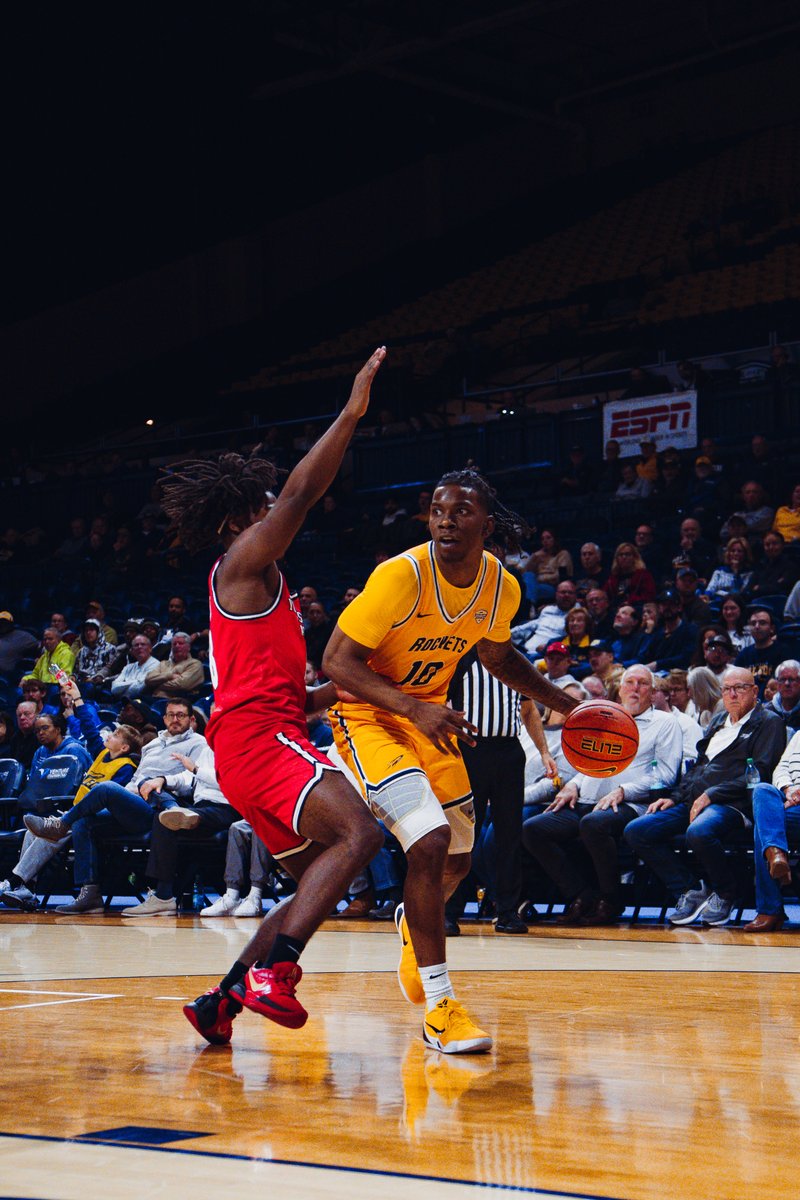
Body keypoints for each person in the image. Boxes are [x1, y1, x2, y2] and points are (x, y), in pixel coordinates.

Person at [160, 349, 387, 1048]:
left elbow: (289, 691)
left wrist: (356, 691)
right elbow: (299, 494)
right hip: (260, 742)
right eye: (263, 505)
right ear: (243, 515)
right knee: (361, 834)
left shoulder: (264, 587)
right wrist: (350, 413)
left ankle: (221, 1001)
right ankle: (275, 972)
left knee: (312, 879)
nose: (276, 509)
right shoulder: (243, 561)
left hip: (256, 740)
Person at [323, 467, 578, 1054]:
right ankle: (442, 1009)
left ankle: (415, 927)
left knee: (457, 862)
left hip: (429, 717)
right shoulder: (399, 576)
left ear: (486, 525)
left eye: (461, 511)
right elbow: (335, 662)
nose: (445, 519)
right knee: (430, 841)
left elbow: (497, 656)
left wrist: (567, 702)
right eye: (437, 509)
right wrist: (413, 708)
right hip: (368, 719)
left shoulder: (500, 587)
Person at [623, 667, 785, 926]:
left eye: (740, 688)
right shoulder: (719, 719)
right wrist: (675, 797)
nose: (732, 694)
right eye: (727, 689)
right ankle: (691, 889)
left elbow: (760, 772)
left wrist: (712, 794)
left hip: (735, 804)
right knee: (637, 830)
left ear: (755, 691)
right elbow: (697, 767)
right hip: (694, 799)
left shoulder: (769, 721)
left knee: (698, 831)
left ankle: (726, 892)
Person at [523, 666, 683, 925]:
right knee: (533, 829)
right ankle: (581, 895)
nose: (635, 688)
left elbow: (666, 773)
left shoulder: (665, 723)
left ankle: (610, 899)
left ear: (653, 693)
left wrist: (624, 790)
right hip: (587, 798)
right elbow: (588, 762)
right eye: (629, 682)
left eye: (642, 684)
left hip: (632, 803)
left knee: (593, 825)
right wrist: (572, 784)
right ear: (619, 690)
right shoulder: (605, 717)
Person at [1, 685, 141, 912]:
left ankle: (15, 881)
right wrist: (77, 698)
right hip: (76, 811)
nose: (109, 734)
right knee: (33, 830)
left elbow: (113, 799)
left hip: (99, 817)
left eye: (115, 735)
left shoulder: (126, 766)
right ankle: (27, 891)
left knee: (53, 831)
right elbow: (89, 727)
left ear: (124, 747)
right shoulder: (103, 754)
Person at [117, 741, 240, 918]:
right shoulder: (208, 750)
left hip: (227, 808)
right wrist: (163, 780)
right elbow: (187, 777)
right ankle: (172, 808)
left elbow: (232, 783)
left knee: (168, 820)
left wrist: (196, 769)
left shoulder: (241, 749)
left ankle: (163, 896)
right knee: (154, 796)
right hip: (199, 807)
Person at [744, 732, 800, 931]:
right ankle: (776, 855)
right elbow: (781, 769)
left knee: (765, 824)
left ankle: (770, 910)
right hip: (789, 801)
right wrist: (788, 789)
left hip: (794, 806)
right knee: (762, 790)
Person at [200, 819, 276, 917]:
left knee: (261, 824)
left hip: (286, 820)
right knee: (237, 827)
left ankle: (255, 895)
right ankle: (231, 897)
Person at [735, 607, 792, 697]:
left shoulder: (783, 652)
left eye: (762, 623)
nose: (757, 627)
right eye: (753, 623)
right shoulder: (743, 655)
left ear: (772, 628)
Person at [143, 631, 204, 699]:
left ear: (188, 647)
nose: (177, 646)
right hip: (153, 699)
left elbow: (181, 685)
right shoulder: (163, 663)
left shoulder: (195, 664)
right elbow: (148, 679)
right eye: (174, 644)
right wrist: (170, 676)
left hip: (176, 703)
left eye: (180, 643)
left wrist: (156, 683)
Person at [109, 633, 159, 699]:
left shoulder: (156, 665)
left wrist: (123, 684)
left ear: (150, 648)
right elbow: (114, 688)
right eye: (136, 645)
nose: (139, 647)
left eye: (143, 644)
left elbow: (138, 690)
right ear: (132, 651)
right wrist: (136, 682)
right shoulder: (128, 667)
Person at [764, 659, 800, 739]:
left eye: (791, 679)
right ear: (777, 683)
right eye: (782, 679)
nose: (787, 684)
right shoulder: (766, 712)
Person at [0, 612, 39, 678]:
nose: (2, 624)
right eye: (0, 622)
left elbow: (40, 645)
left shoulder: (22, 636)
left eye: (5, 622)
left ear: (11, 623)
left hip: (7, 677)